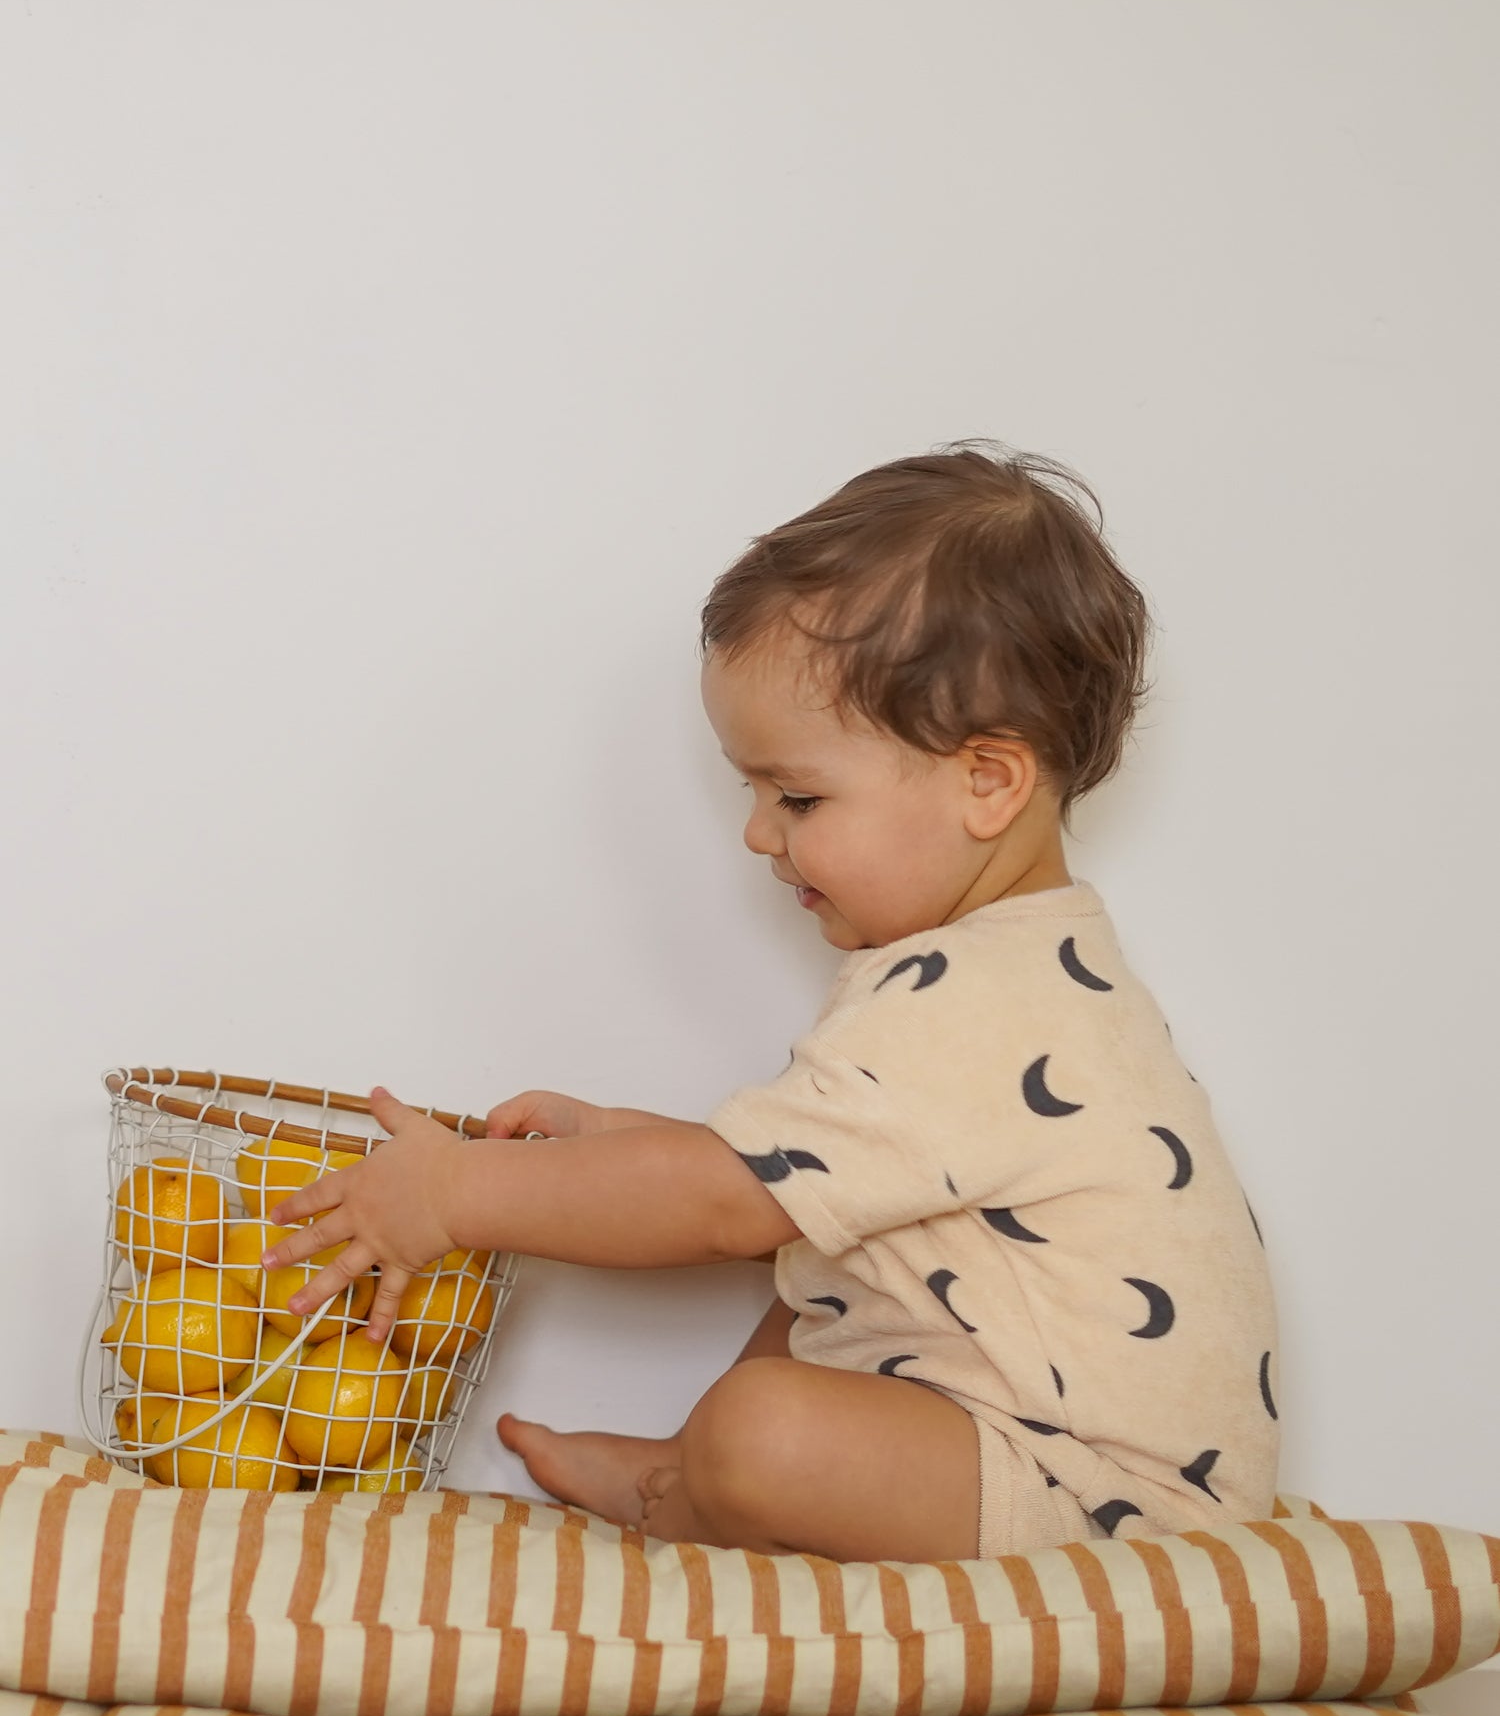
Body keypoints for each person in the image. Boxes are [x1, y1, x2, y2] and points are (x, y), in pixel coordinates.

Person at [265, 443, 1279, 1563]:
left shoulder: (975, 994)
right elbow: (810, 1193)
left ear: (987, 782)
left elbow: (724, 1205)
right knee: (825, 1285)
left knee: (765, 1427)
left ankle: (684, 1488)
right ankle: (688, 1471)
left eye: (796, 794)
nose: (758, 831)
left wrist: (457, 1193)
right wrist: (623, 1146)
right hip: (1020, 1446)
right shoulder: (1011, 971)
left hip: (1104, 1508)